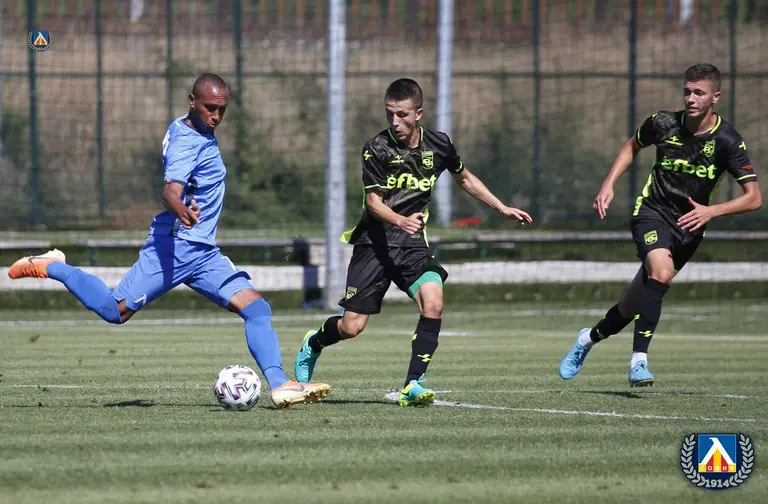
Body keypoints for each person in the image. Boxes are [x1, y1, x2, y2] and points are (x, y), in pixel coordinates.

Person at [8, 73, 331, 408]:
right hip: (175, 247)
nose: (216, 116)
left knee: (257, 309)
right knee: (114, 312)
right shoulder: (186, 143)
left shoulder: (192, 129)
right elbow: (170, 191)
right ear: (192, 101)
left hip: (202, 252)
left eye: (222, 109)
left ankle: (280, 385)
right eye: (210, 108)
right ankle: (54, 266)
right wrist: (181, 210)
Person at [293, 78, 533, 406]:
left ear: (418, 113)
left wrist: (501, 207)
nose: (395, 121)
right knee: (351, 327)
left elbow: (464, 178)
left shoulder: (439, 145)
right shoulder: (376, 148)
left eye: (402, 114)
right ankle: (314, 343)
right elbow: (374, 204)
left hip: (412, 245)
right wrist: (400, 220)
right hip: (374, 245)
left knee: (433, 301)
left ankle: (413, 385)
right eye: (389, 113)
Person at [558, 63, 761, 387]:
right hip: (652, 212)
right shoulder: (663, 122)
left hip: (689, 227)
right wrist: (608, 184)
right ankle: (639, 361)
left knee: (630, 306)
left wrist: (712, 211)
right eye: (687, 91)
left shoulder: (727, 141)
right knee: (662, 273)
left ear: (715, 97)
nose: (690, 99)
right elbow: (631, 146)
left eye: (699, 93)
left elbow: (753, 198)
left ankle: (587, 339)